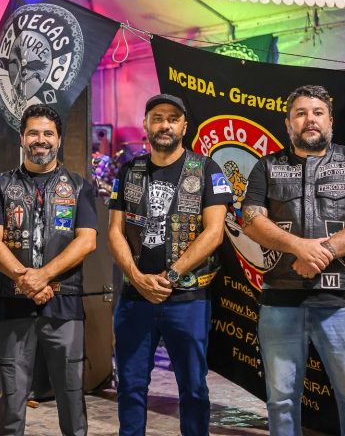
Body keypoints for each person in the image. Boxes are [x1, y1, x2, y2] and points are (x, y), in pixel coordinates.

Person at [241, 85, 345, 435]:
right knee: (280, 401)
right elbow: (251, 220)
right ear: (288, 123)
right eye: (301, 113)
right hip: (280, 302)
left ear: (330, 120)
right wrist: (298, 247)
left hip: (342, 305)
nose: (310, 120)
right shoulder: (267, 166)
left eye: (318, 113)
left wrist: (324, 251)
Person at [108, 93, 232, 436]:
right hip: (134, 298)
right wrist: (136, 277)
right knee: (130, 385)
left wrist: (172, 275)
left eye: (173, 119)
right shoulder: (129, 170)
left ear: (184, 126)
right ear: (146, 124)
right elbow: (115, 231)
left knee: (193, 388)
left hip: (188, 299)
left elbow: (214, 232)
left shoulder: (206, 169)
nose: (165, 125)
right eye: (158, 118)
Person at [0, 104, 97, 436]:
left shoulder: (80, 187)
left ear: (59, 139)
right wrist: (24, 279)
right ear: (22, 138)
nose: (40, 139)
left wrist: (43, 276)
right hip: (12, 304)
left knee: (71, 393)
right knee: (11, 397)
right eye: (33, 133)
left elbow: (87, 241)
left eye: (47, 133)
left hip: (64, 303)